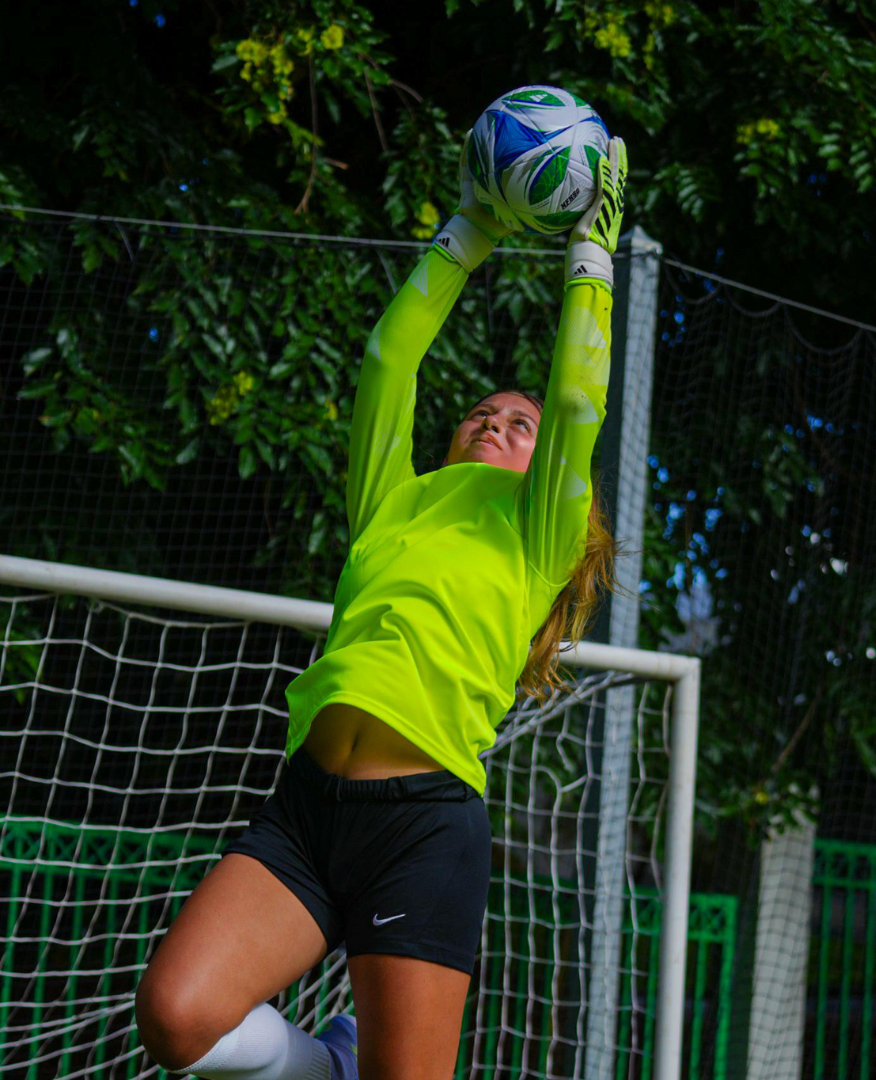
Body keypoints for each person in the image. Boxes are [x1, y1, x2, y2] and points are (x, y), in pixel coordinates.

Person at [133, 130, 629, 1080]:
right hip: (308, 810)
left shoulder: (537, 535)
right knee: (176, 1016)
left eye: (515, 423)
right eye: (482, 411)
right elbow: (386, 361)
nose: (497, 419)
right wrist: (467, 235)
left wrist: (590, 257)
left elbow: (574, 403)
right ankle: (327, 1069)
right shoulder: (395, 498)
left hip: (424, 827)